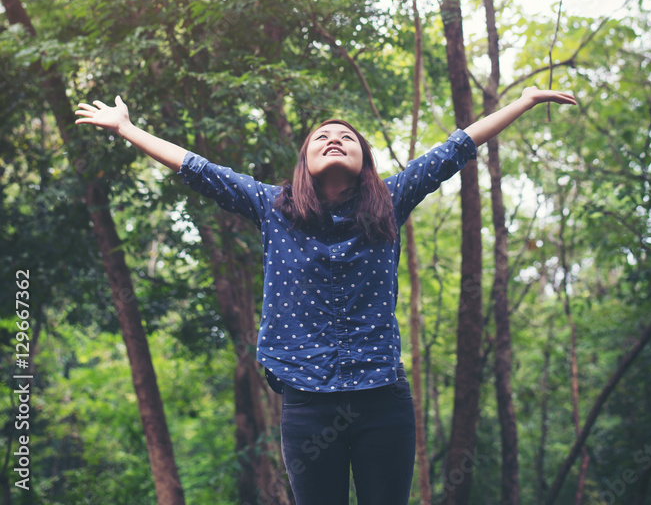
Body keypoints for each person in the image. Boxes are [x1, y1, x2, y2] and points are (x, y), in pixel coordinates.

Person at [75, 86, 576, 505]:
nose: (335, 140)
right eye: (323, 137)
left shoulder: (392, 201)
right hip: (307, 401)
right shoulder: (271, 206)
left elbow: (456, 147)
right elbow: (197, 167)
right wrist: (125, 128)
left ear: (365, 161)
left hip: (382, 398)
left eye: (346, 138)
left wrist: (525, 101)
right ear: (304, 159)